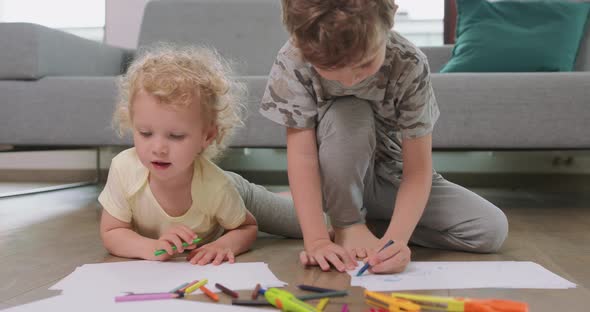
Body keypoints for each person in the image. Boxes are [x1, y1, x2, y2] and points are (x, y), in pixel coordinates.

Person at [259, 0, 509, 274]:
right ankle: (345, 223)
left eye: (364, 64)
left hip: (390, 176)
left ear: (389, 22)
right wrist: (316, 240)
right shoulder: (294, 58)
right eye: (329, 68)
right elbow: (302, 157)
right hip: (331, 181)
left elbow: (418, 171)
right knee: (351, 110)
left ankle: (365, 228)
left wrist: (395, 240)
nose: (350, 80)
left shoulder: (409, 62)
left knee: (490, 229)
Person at [99, 45, 302, 265]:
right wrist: (151, 247)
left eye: (175, 136)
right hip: (217, 196)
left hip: (236, 192)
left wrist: (223, 244)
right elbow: (113, 231)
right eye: (145, 133)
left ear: (207, 136)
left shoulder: (217, 187)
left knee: (316, 224)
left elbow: (247, 226)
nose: (158, 148)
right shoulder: (123, 169)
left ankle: (297, 195)